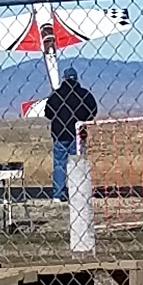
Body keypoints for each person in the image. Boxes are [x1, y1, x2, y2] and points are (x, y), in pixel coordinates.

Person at [44, 67, 97, 202]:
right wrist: (83, 118)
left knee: (59, 164)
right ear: (76, 78)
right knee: (77, 162)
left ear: (64, 79)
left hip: (60, 134)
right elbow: (93, 111)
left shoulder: (56, 95)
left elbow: (48, 113)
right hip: (77, 133)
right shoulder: (84, 94)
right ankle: (78, 192)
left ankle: (58, 194)